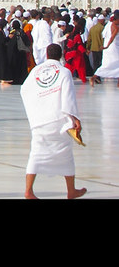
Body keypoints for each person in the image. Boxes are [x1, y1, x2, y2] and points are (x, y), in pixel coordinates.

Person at [21, 43, 86, 200]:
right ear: (61, 55)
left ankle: (29, 191)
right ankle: (71, 191)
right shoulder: (64, 72)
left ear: (47, 54)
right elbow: (68, 96)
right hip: (57, 119)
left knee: (36, 154)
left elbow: (24, 90)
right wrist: (74, 117)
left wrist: (35, 110)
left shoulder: (36, 71)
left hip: (39, 120)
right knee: (66, 154)